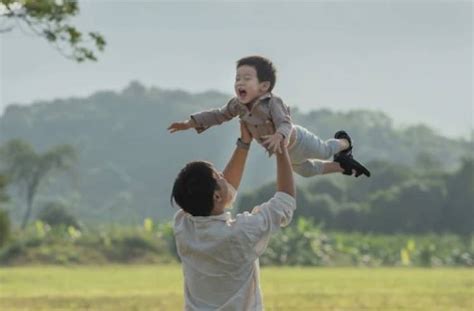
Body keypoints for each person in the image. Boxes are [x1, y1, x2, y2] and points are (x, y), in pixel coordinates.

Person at [168, 55, 370, 178]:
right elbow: (218, 115)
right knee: (307, 172)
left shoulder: (273, 102)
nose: (240, 83)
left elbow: (285, 123)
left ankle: (344, 143)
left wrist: (278, 136)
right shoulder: (237, 105)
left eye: (247, 78)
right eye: (237, 78)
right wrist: (190, 123)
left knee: (325, 151)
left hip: (297, 141)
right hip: (283, 153)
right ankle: (343, 166)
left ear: (264, 86)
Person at [171, 121, 296, 310]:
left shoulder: (183, 226)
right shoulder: (240, 233)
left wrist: (244, 143)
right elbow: (285, 202)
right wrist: (281, 147)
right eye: (218, 176)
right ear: (216, 195)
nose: (223, 176)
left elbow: (223, 194)